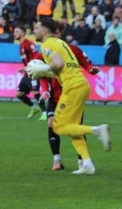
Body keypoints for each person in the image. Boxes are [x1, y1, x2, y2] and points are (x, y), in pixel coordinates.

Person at [26, 17, 111, 175]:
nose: (34, 31)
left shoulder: (47, 45)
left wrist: (42, 68)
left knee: (57, 126)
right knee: (73, 128)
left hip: (72, 87)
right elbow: (62, 69)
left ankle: (98, 130)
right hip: (81, 85)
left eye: (37, 28)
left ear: (45, 30)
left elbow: (58, 64)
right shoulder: (61, 43)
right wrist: (44, 72)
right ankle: (87, 164)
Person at [39, 40, 100, 171]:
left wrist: (90, 69)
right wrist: (44, 89)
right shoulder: (46, 50)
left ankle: (82, 162)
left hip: (71, 94)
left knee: (75, 127)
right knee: (51, 124)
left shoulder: (72, 49)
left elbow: (85, 62)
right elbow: (42, 74)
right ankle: (57, 160)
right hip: (54, 96)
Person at [14, 26, 46, 120]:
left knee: (35, 91)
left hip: (34, 72)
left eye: (16, 31)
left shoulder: (29, 44)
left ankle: (45, 112)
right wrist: (24, 68)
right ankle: (33, 107)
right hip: (27, 73)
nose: (14, 33)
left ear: (22, 33)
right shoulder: (21, 45)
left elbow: (37, 56)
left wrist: (29, 67)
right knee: (19, 94)